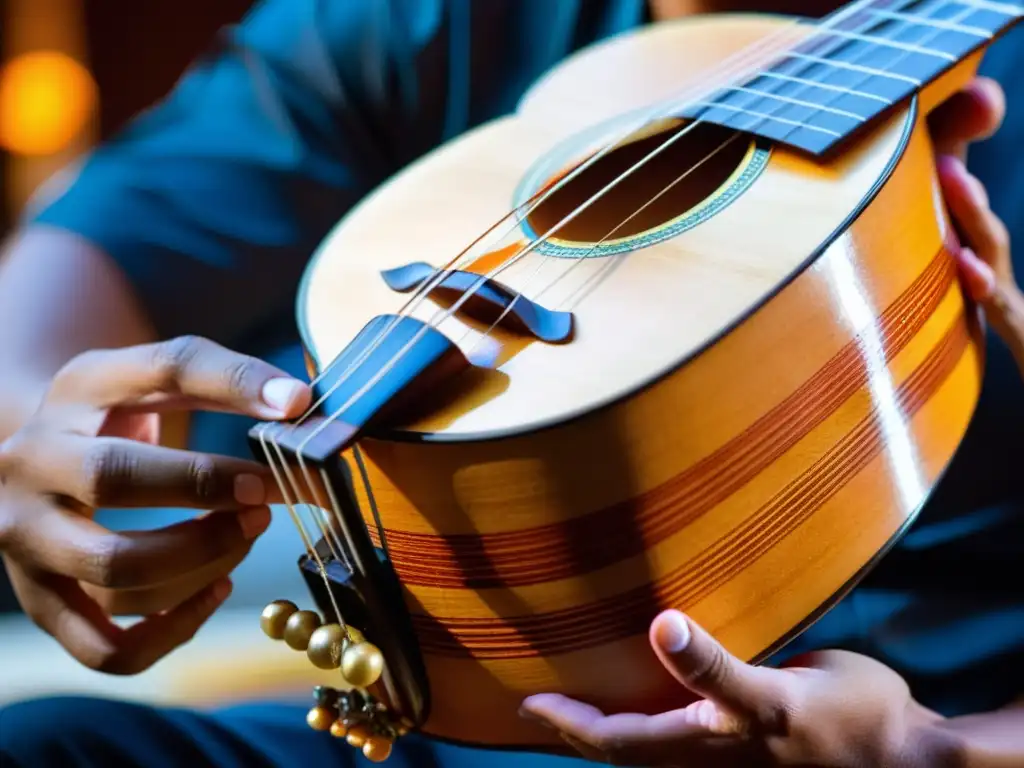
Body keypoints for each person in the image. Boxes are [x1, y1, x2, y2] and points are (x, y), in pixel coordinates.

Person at [1, 0, 1023, 765]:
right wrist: (42, 436)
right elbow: (72, 279)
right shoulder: (435, 17)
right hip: (499, 731)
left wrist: (946, 749)